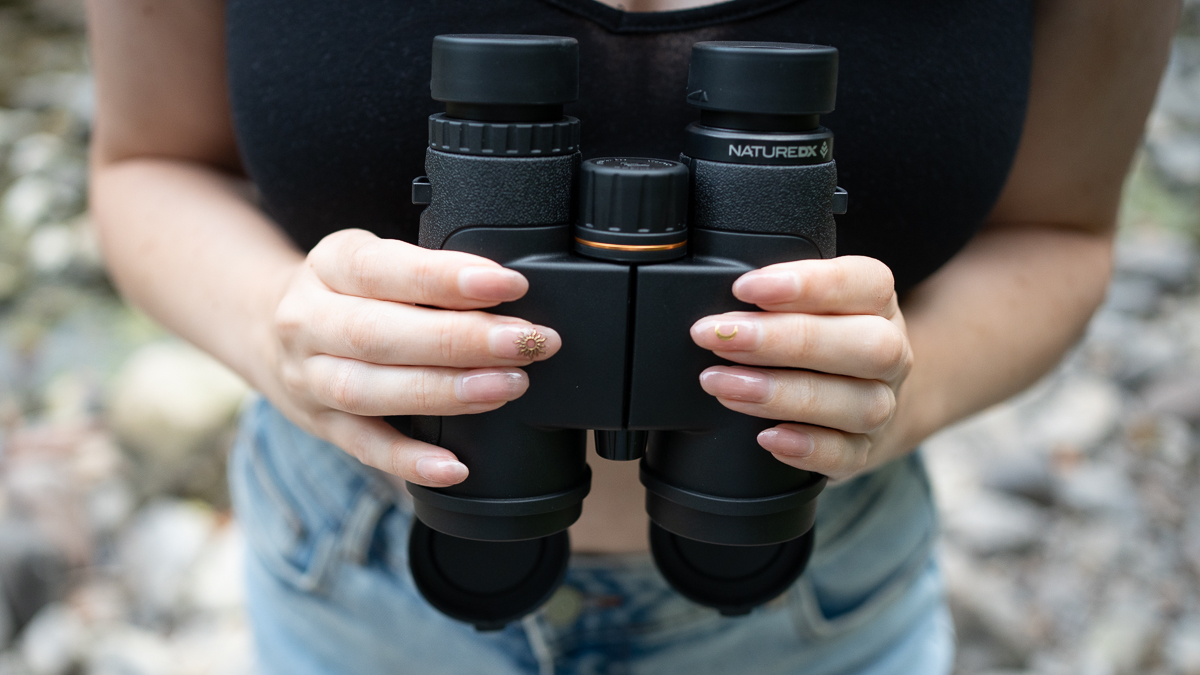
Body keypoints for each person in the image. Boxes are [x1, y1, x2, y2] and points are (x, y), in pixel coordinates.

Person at [85, 0, 1178, 672]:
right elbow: (147, 163)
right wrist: (289, 335)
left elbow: (1063, 229)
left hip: (810, 590)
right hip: (366, 581)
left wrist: (886, 392)